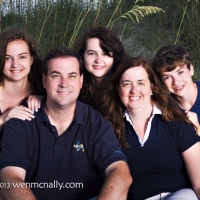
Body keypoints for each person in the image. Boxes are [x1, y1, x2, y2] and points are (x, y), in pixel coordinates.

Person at [0, 47, 132, 200]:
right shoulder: (21, 122)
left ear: (81, 81)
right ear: (44, 80)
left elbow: (121, 172)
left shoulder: (95, 122)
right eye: (56, 75)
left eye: (72, 76)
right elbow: (10, 178)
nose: (64, 83)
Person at [101, 57, 200, 200]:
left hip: (179, 195)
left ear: (152, 87)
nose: (134, 90)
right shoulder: (109, 129)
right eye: (127, 84)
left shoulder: (178, 123)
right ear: (118, 88)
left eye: (141, 83)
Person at [0, 27, 44, 131]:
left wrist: (47, 102)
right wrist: (4, 118)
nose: (15, 64)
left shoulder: (43, 91)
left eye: (22, 57)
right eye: (7, 58)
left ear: (31, 60)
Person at [152, 45, 200, 135]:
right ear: (162, 81)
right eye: (167, 77)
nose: (176, 82)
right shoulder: (164, 108)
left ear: (191, 70)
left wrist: (198, 130)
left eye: (180, 72)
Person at [78, 26, 128, 110]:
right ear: (83, 56)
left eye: (105, 54)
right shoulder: (75, 86)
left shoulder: (125, 86)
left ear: (115, 57)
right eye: (91, 53)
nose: (98, 60)